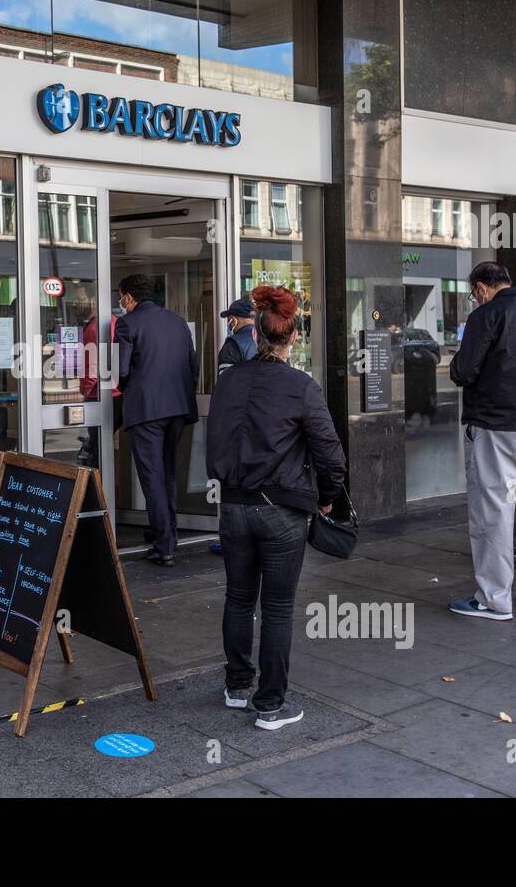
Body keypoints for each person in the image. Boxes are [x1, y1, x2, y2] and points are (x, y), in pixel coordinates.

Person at [207, 285, 346, 730]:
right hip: (282, 510)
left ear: (257, 333)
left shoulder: (228, 380)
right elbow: (330, 452)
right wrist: (327, 497)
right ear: (293, 338)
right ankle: (269, 704)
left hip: (233, 505)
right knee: (278, 608)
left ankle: (236, 685)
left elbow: (217, 441)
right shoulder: (301, 386)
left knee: (238, 597)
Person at [447, 262, 516, 620]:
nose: (474, 299)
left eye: (472, 293)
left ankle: (493, 598)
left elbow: (464, 371)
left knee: (493, 510)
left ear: (481, 288)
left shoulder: (487, 315)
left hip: (497, 426)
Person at [115, 274, 198, 566]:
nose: (120, 303)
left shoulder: (127, 324)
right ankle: (167, 533)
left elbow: (121, 372)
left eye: (121, 297)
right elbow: (192, 366)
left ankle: (164, 546)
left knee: (151, 477)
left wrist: (131, 391)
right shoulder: (177, 322)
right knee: (168, 474)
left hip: (146, 410)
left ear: (129, 297)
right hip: (177, 408)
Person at [216, 298, 258, 375]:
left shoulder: (232, 345)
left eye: (229, 320)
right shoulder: (269, 340)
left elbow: (226, 382)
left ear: (233, 320)